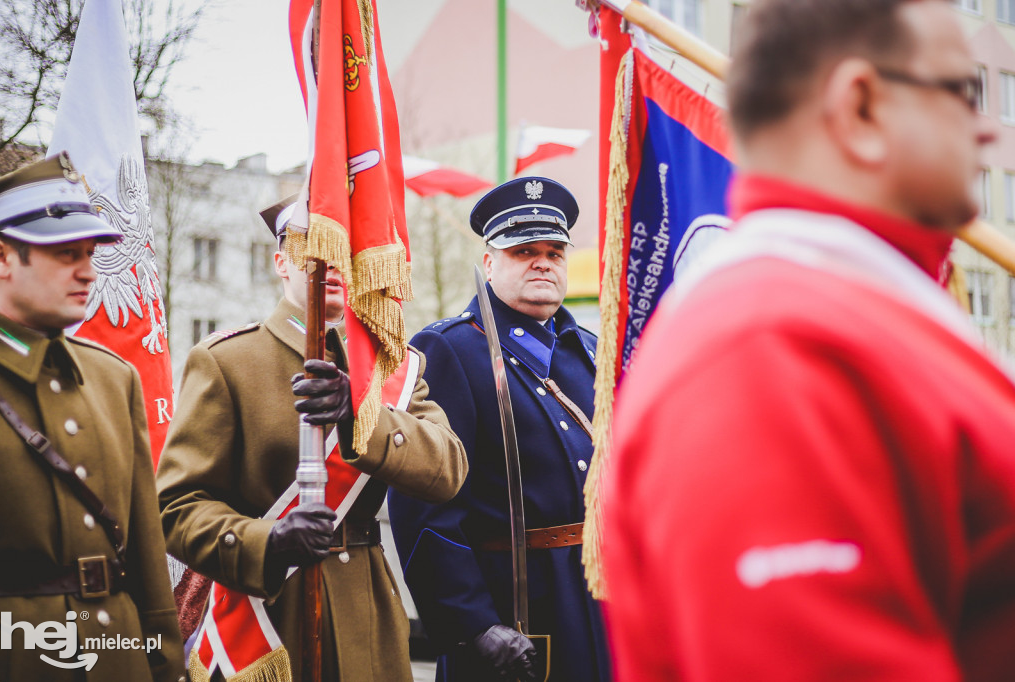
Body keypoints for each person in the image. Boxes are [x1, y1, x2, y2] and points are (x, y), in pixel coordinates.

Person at [603, 1, 1013, 679]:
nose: (987, 131)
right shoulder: (769, 350)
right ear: (861, 108)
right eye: (962, 91)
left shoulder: (852, 314)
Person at [155, 197, 467, 681]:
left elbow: (448, 470)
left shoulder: (391, 367)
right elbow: (176, 508)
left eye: (345, 250)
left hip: (368, 611)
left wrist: (362, 418)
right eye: (314, 248)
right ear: (281, 262)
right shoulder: (228, 361)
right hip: (271, 608)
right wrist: (269, 540)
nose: (333, 264)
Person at [389, 177, 610, 682]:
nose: (543, 262)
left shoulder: (591, 352)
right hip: (512, 610)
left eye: (555, 252)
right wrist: (474, 623)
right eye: (523, 250)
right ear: (489, 262)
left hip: (596, 597)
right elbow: (426, 507)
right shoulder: (452, 350)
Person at [0, 153, 183, 681]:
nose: (88, 270)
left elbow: (145, 548)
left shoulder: (112, 378)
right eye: (63, 253)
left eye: (91, 251)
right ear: (1, 257)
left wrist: (165, 667)